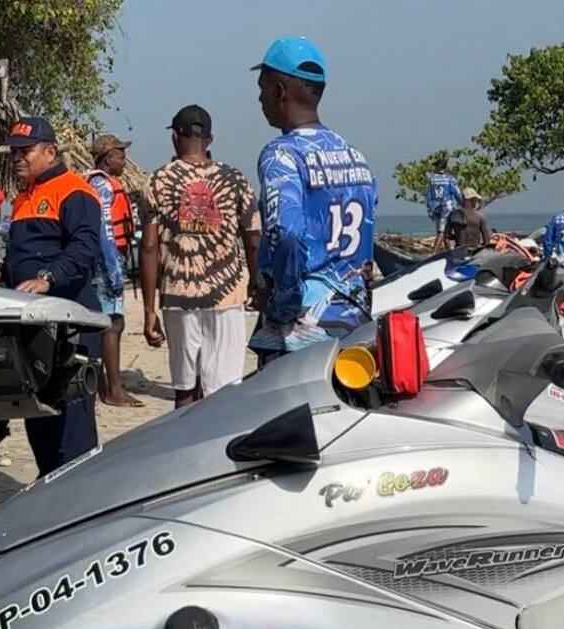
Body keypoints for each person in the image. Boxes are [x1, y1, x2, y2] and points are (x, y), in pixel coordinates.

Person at [247, 37, 377, 362]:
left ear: (279, 91)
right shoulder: (356, 156)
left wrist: (281, 306)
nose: (259, 98)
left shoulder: (283, 155)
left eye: (262, 88)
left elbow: (286, 233)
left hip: (299, 333)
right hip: (353, 326)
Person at [140, 105, 261, 408]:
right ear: (210, 139)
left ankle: (182, 450)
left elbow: (150, 248)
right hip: (228, 297)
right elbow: (253, 237)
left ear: (174, 139)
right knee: (225, 391)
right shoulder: (235, 179)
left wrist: (149, 310)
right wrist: (257, 285)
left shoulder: (157, 181)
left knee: (185, 391)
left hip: (179, 296)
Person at [3, 117, 103, 476]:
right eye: (13, 152)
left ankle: (79, 504)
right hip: (34, 324)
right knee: (40, 416)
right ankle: (49, 491)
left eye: (25, 151)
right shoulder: (21, 199)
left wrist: (47, 277)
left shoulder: (74, 190)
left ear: (50, 151)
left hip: (72, 322)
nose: (17, 158)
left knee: (73, 422)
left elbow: (85, 249)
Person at [86, 133, 143, 408]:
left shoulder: (96, 184)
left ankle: (105, 386)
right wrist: (114, 272)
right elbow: (105, 231)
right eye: (121, 156)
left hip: (102, 262)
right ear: (108, 159)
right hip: (105, 264)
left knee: (106, 322)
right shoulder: (104, 187)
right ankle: (113, 389)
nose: (124, 161)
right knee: (112, 323)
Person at [426, 156, 462, 253]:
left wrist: (429, 210)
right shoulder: (450, 179)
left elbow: (429, 196)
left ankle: (436, 252)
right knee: (443, 231)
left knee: (441, 230)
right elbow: (457, 193)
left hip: (435, 207)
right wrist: (462, 205)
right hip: (447, 207)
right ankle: (443, 252)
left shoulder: (432, 180)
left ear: (438, 167)